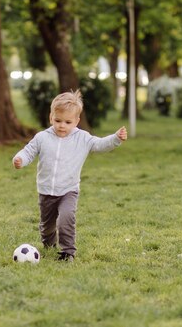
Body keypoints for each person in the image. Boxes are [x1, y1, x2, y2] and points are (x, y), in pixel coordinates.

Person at [13, 90, 127, 262]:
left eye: (68, 122)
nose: (62, 125)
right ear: (51, 117)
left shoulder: (82, 138)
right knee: (47, 226)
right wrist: (20, 158)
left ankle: (67, 252)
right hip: (46, 190)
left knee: (66, 218)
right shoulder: (42, 137)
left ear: (77, 121)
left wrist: (116, 138)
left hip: (69, 190)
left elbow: (100, 144)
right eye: (58, 121)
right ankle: (49, 243)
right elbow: (29, 151)